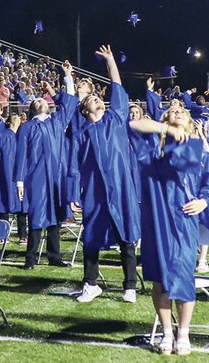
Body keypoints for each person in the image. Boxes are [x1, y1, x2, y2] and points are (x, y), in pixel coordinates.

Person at [128, 98, 209, 355]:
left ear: (189, 121)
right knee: (159, 278)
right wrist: (165, 130)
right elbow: (133, 125)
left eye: (181, 111)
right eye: (171, 111)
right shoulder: (153, 149)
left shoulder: (199, 149)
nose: (177, 112)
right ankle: (167, 332)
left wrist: (204, 201)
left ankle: (184, 334)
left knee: (182, 273)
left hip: (182, 219)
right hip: (156, 218)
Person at [68, 46, 140, 304]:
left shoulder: (116, 119)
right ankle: (90, 283)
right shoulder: (81, 134)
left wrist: (110, 60)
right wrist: (73, 193)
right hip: (95, 190)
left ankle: (130, 286)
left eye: (99, 98)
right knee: (91, 236)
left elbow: (117, 86)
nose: (97, 99)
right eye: (92, 100)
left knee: (125, 234)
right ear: (85, 110)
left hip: (120, 186)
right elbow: (74, 166)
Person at [15, 61, 76, 268]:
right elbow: (21, 155)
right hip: (37, 177)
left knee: (55, 216)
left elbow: (70, 102)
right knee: (37, 214)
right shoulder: (26, 128)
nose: (41, 99)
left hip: (56, 176)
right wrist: (19, 181)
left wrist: (67, 76)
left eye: (43, 98)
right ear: (33, 108)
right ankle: (30, 258)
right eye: (37, 99)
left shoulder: (57, 121)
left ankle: (54, 256)